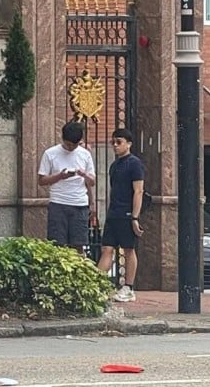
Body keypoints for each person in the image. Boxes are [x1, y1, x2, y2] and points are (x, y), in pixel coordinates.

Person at [97, 128, 145, 303]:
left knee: (128, 249)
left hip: (126, 213)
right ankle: (97, 285)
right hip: (113, 213)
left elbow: (138, 191)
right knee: (106, 248)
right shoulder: (114, 165)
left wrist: (134, 216)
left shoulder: (135, 164)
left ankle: (129, 287)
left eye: (119, 142)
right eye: (113, 142)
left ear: (129, 144)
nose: (115, 146)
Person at [38, 121, 96, 249]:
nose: (71, 148)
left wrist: (84, 175)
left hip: (80, 204)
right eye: (68, 144)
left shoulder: (85, 154)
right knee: (57, 245)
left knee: (78, 245)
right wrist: (60, 176)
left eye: (74, 145)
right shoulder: (50, 153)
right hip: (58, 203)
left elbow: (92, 182)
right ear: (62, 138)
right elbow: (41, 180)